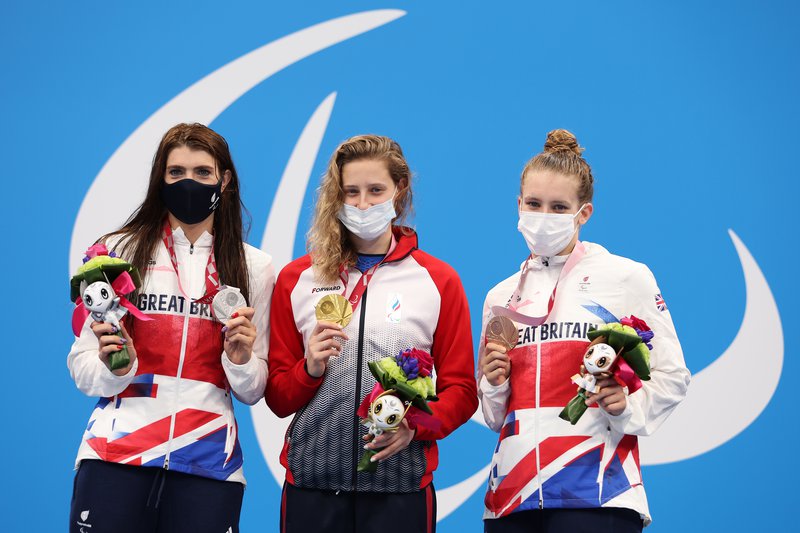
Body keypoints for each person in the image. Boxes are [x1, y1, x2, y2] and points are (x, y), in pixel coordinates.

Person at [479, 130, 690, 532]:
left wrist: (626, 404)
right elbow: (494, 415)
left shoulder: (626, 277)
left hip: (598, 492)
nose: (544, 216)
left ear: (584, 212)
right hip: (511, 496)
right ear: (518, 206)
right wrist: (492, 382)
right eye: (534, 204)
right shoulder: (500, 297)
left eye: (559, 207)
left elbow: (673, 376)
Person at [68, 123, 275, 533]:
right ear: (160, 179)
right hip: (116, 456)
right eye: (176, 172)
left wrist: (240, 361)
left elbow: (253, 389)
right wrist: (114, 366)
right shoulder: (116, 252)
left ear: (225, 180)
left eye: (202, 172)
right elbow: (81, 366)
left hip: (209, 463)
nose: (189, 182)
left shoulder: (255, 267)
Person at [266, 134, 478, 533]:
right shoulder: (298, 279)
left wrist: (416, 426)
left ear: (399, 191)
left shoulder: (438, 280)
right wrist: (309, 368)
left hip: (401, 489)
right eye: (351, 192)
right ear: (337, 197)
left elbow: (463, 391)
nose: (363, 204)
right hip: (312, 486)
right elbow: (278, 397)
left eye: (375, 190)